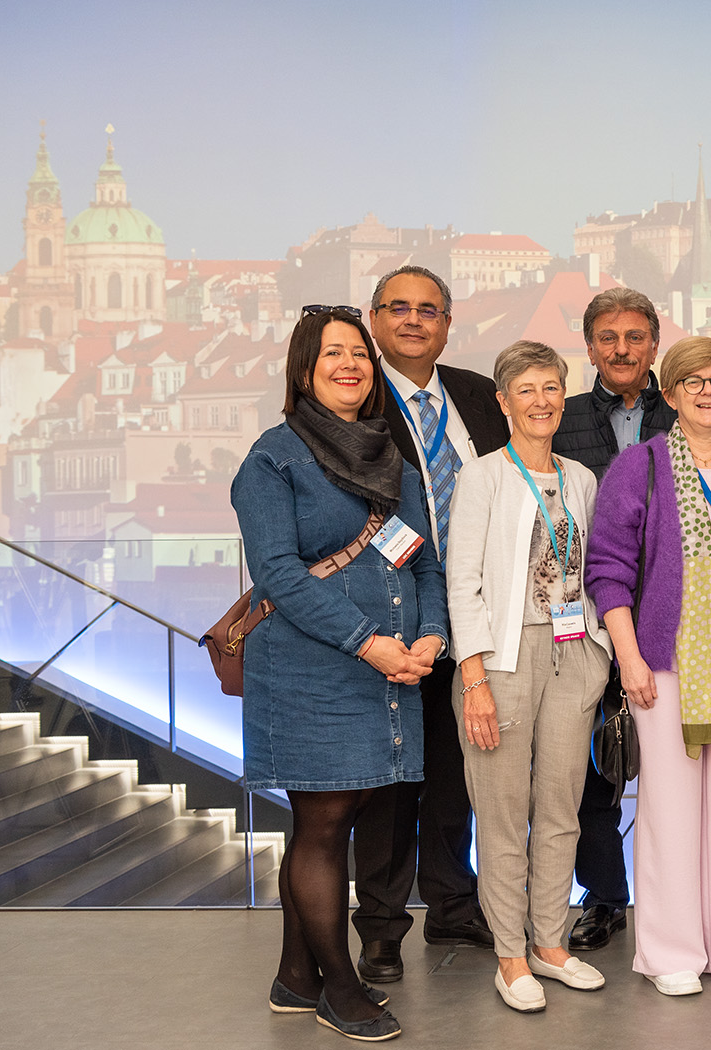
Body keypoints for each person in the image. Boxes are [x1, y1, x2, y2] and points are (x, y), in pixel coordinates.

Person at [233, 306, 447, 1041]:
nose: (350, 364)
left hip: (387, 671)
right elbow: (279, 578)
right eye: (333, 354)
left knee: (336, 820)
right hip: (307, 672)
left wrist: (430, 632)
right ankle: (340, 987)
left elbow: (421, 558)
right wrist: (368, 642)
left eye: (360, 353)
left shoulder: (391, 457)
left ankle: (296, 979)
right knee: (324, 826)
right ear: (304, 368)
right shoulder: (273, 458)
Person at [586, 336, 711, 995]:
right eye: (692, 381)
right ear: (668, 394)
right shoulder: (638, 468)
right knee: (670, 806)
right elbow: (608, 573)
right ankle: (671, 950)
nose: (708, 390)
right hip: (666, 665)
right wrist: (630, 659)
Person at [445, 341, 614, 1014]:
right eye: (527, 389)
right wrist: (474, 679)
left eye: (552, 388)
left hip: (575, 654)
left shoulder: (580, 478)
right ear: (504, 402)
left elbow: (591, 568)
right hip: (503, 659)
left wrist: (600, 652)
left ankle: (550, 942)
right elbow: (464, 581)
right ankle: (510, 955)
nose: (541, 401)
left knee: (562, 808)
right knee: (503, 811)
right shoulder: (482, 477)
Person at [353, 266, 508, 985]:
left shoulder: (478, 395)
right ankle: (382, 928)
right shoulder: (354, 393)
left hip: (473, 617)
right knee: (389, 784)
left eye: (430, 310)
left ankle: (453, 902)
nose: (415, 321)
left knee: (456, 774)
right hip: (391, 624)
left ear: (448, 323)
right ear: (374, 319)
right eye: (399, 309)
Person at [551, 286, 678, 951]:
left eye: (635, 337)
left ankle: (676, 896)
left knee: (675, 772)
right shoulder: (560, 418)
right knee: (593, 773)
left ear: (654, 343)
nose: (622, 349)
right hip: (585, 624)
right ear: (590, 346)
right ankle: (604, 899)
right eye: (608, 338)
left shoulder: (689, 412)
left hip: (671, 622)